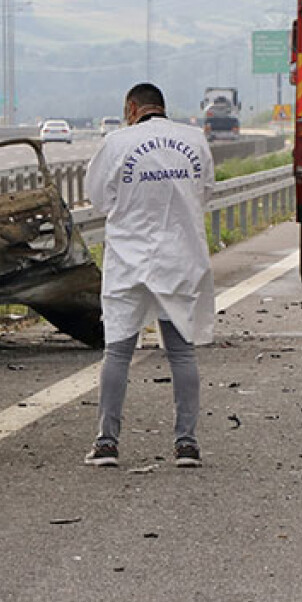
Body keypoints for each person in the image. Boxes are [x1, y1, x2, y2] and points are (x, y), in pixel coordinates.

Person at [84, 82, 215, 468]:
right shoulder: (194, 140)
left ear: (131, 107)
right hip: (180, 258)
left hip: (129, 260)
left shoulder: (117, 143)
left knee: (118, 352)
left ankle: (107, 443)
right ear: (162, 107)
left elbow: (98, 198)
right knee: (181, 351)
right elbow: (204, 191)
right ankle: (187, 445)